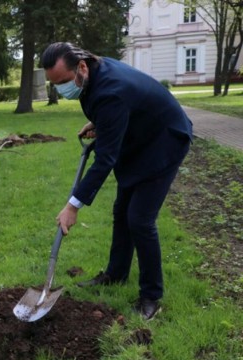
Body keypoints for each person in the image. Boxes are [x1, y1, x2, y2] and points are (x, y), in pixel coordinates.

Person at [40, 42, 193, 320]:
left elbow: (106, 159)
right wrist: (101, 123)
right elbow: (119, 110)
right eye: (55, 85)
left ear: (82, 67)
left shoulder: (111, 91)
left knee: (140, 219)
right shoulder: (95, 71)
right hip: (140, 137)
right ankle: (116, 274)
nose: (61, 90)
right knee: (121, 212)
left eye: (63, 82)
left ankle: (151, 296)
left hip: (165, 141)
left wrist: (73, 205)